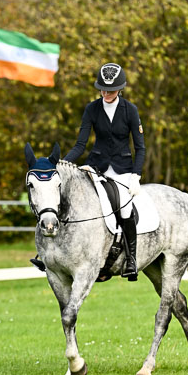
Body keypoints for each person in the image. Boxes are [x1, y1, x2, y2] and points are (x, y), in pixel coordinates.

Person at [64, 62, 145, 280]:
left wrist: (136, 176)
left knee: (125, 211)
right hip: (95, 166)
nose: (105, 93)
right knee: (76, 199)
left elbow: (140, 147)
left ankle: (131, 259)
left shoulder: (130, 110)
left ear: (120, 89)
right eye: (102, 89)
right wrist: (62, 164)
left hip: (121, 169)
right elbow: (80, 145)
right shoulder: (92, 109)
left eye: (110, 90)